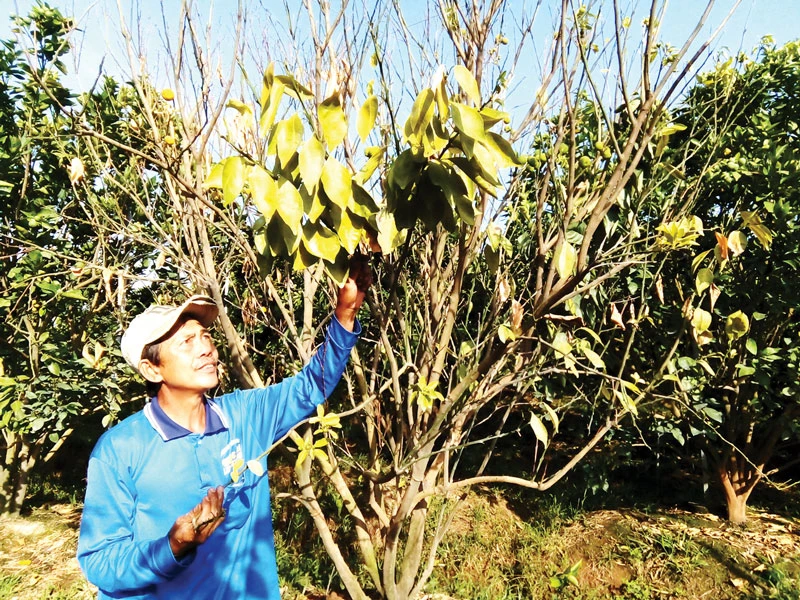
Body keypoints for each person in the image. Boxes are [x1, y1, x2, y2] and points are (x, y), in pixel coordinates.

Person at [77, 257, 371, 599]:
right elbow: (100, 562)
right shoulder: (120, 450)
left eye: (205, 336)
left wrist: (345, 315)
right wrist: (172, 547)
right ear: (151, 370)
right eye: (185, 343)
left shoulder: (245, 416)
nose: (206, 348)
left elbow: (310, 388)